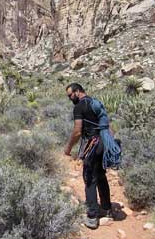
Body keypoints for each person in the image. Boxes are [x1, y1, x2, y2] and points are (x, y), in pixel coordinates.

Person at [64, 83, 112, 230]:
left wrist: (68, 148)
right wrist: (110, 144)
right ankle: (106, 208)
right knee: (101, 176)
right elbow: (107, 124)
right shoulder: (95, 102)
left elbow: (77, 131)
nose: (69, 98)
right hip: (103, 142)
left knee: (89, 178)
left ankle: (92, 216)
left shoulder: (79, 107)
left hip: (92, 145)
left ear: (77, 92)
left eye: (70, 95)